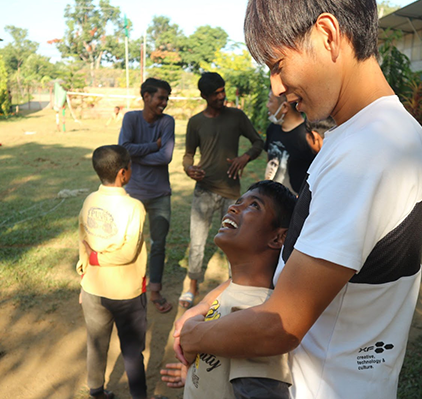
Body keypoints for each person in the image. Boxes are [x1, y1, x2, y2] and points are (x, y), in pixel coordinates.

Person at [176, 0, 422, 398]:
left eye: (278, 64)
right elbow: (288, 269)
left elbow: (281, 323)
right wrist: (211, 303)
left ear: (328, 35)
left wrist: (196, 336)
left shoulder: (372, 148)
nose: (276, 87)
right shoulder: (358, 135)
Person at [161, 180, 296, 399]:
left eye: (254, 206)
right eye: (239, 201)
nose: (234, 207)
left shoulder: (257, 315)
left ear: (278, 237)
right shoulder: (231, 291)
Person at [181, 72, 264, 309]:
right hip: (204, 191)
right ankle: (192, 286)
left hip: (231, 194)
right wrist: (188, 168)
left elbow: (258, 142)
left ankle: (235, 288)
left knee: (235, 243)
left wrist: (244, 158)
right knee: (197, 242)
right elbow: (188, 155)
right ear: (204, 96)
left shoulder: (236, 116)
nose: (221, 96)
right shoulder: (196, 122)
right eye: (215, 94)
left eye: (222, 91)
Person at [77, 145, 153, 399]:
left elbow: (82, 240)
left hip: (93, 290)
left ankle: (96, 390)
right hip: (126, 294)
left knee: (96, 345)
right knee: (132, 351)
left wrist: (84, 274)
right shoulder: (134, 207)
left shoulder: (89, 200)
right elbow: (127, 253)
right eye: (130, 166)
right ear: (123, 173)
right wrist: (95, 259)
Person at [119, 78, 175, 313]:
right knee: (129, 243)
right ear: (146, 97)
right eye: (160, 98)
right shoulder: (131, 118)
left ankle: (155, 290)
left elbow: (166, 157)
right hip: (133, 194)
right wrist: (154, 146)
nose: (164, 103)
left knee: (158, 245)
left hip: (160, 195)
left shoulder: (167, 122)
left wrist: (136, 153)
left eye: (166, 98)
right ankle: (128, 289)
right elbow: (124, 149)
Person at [264, 90, 316, 195]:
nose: (267, 105)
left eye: (270, 101)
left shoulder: (308, 137)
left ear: (284, 107)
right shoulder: (272, 128)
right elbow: (269, 158)